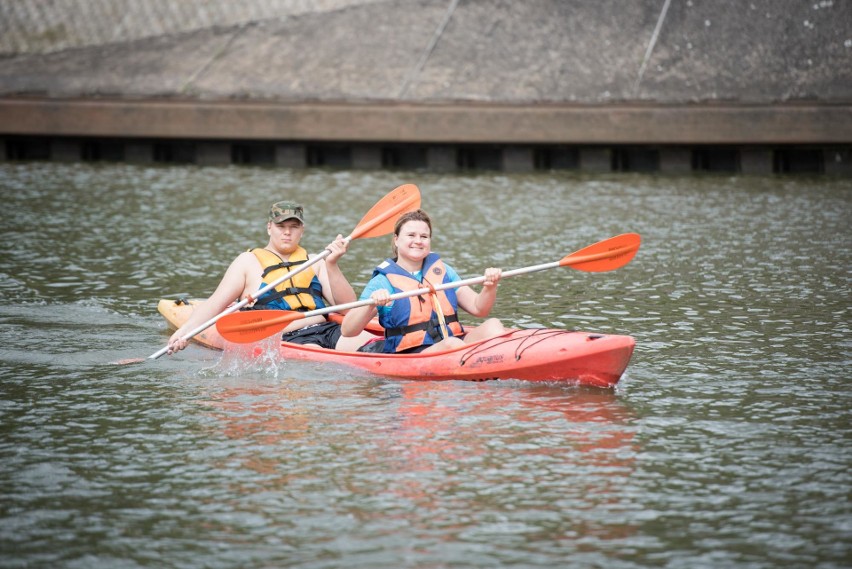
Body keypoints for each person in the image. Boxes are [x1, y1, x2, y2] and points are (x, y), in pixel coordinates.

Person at [167, 201, 375, 354]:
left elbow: (349, 309)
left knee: (374, 346)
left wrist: (332, 264)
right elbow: (215, 304)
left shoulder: (317, 261)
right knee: (320, 366)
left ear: (302, 231)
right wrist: (185, 332)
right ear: (269, 227)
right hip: (286, 338)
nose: (287, 233)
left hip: (327, 329)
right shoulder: (248, 262)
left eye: (294, 227)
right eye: (281, 227)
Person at [341, 209, 508, 353]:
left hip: (453, 342)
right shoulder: (383, 281)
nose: (418, 241)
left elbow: (479, 309)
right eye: (411, 235)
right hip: (412, 352)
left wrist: (490, 287)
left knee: (493, 325)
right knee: (452, 344)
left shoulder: (443, 271)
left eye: (424, 236)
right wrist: (371, 304)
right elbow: (348, 330)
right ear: (396, 239)